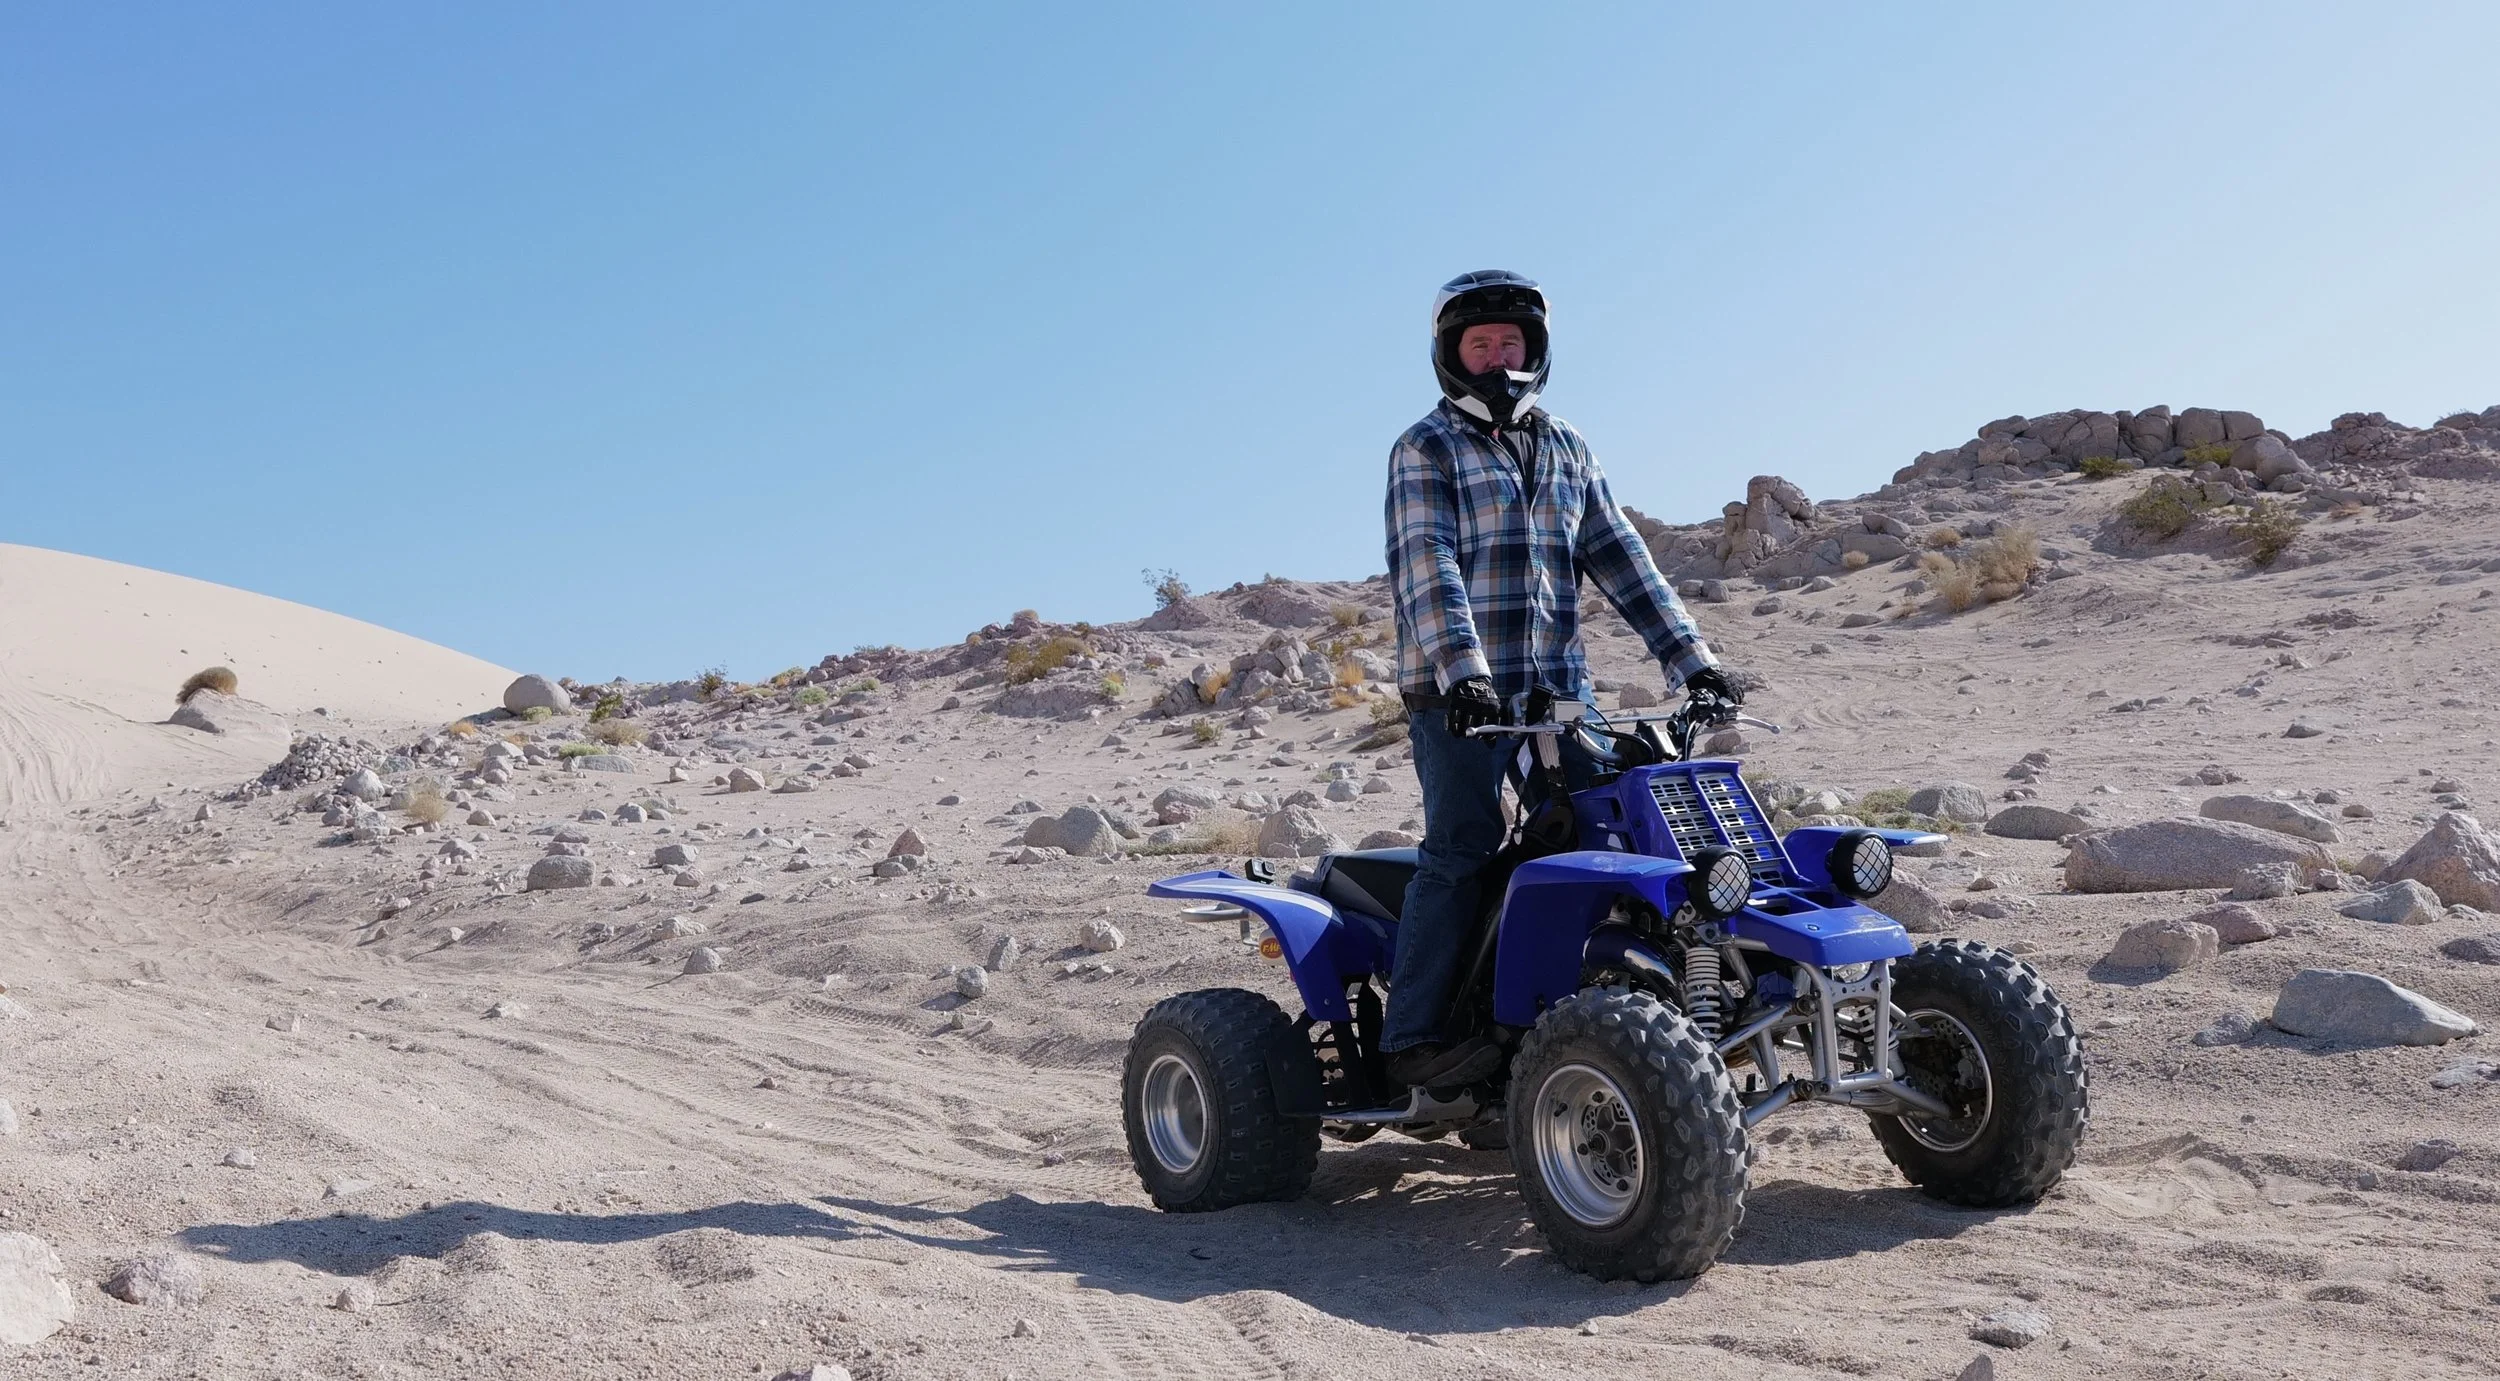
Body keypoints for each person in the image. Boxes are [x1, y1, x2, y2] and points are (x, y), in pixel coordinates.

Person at [1380, 269, 1735, 1089]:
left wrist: (1696, 663)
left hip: (1559, 695)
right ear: (1452, 355)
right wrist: (1465, 673)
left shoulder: (1568, 447)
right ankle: (1413, 1042)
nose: (1497, 357)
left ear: (1533, 350)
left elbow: (1624, 560)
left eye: (1510, 342)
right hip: (1460, 700)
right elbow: (1427, 566)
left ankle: (1586, 1012)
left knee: (1613, 829)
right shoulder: (1425, 447)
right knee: (1462, 849)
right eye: (1480, 344)